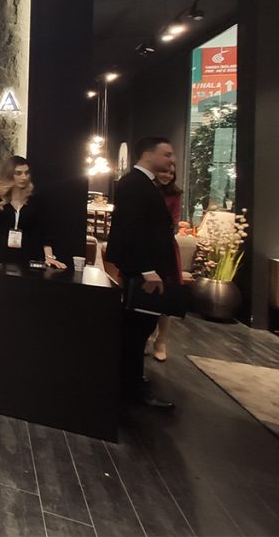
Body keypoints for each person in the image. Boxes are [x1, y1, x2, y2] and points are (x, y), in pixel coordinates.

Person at [105, 136, 179, 409]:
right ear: (149, 155)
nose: (172, 159)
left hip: (146, 270)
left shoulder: (142, 184)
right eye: (167, 154)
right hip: (143, 272)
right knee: (136, 331)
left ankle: (132, 383)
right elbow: (131, 230)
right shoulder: (134, 184)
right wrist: (147, 270)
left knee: (140, 329)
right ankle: (131, 389)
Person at [146, 165, 183, 362]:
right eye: (164, 171)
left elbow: (173, 223)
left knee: (165, 295)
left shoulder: (175, 195)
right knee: (146, 294)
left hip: (166, 248)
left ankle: (161, 340)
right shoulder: (145, 190)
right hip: (145, 246)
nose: (167, 176)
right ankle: (146, 336)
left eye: (171, 173)